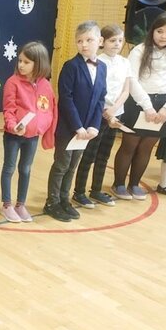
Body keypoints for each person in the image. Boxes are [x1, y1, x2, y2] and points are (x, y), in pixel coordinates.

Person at [112, 13, 166, 200]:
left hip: (162, 106)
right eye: (160, 31)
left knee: (146, 147)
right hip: (138, 103)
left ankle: (134, 184)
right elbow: (132, 80)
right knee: (130, 145)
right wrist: (147, 107)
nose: (163, 36)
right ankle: (118, 184)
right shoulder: (139, 50)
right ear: (153, 31)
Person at [44, 21, 107, 222]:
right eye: (80, 41)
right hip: (69, 127)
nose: (84, 44)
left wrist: (94, 125)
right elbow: (66, 98)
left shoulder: (103, 67)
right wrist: (77, 126)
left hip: (86, 130)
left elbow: (100, 98)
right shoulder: (71, 66)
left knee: (73, 166)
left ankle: (64, 199)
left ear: (100, 41)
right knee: (61, 165)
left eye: (89, 40)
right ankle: (52, 202)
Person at [73, 25, 130, 208]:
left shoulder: (124, 62)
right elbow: (97, 92)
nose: (117, 44)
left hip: (115, 115)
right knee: (89, 155)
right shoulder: (99, 61)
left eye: (120, 40)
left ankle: (96, 190)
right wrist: (106, 113)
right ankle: (79, 192)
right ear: (102, 42)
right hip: (99, 115)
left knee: (104, 155)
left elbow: (126, 90)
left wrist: (114, 111)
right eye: (113, 40)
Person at [0, 42, 57, 223]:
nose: (21, 65)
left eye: (26, 62)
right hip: (13, 135)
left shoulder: (45, 85)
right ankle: (7, 205)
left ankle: (20, 204)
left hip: (32, 137)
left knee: (25, 169)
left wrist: (42, 129)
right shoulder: (12, 82)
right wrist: (13, 126)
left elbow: (48, 110)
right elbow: (8, 109)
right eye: (20, 61)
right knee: (9, 168)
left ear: (38, 63)